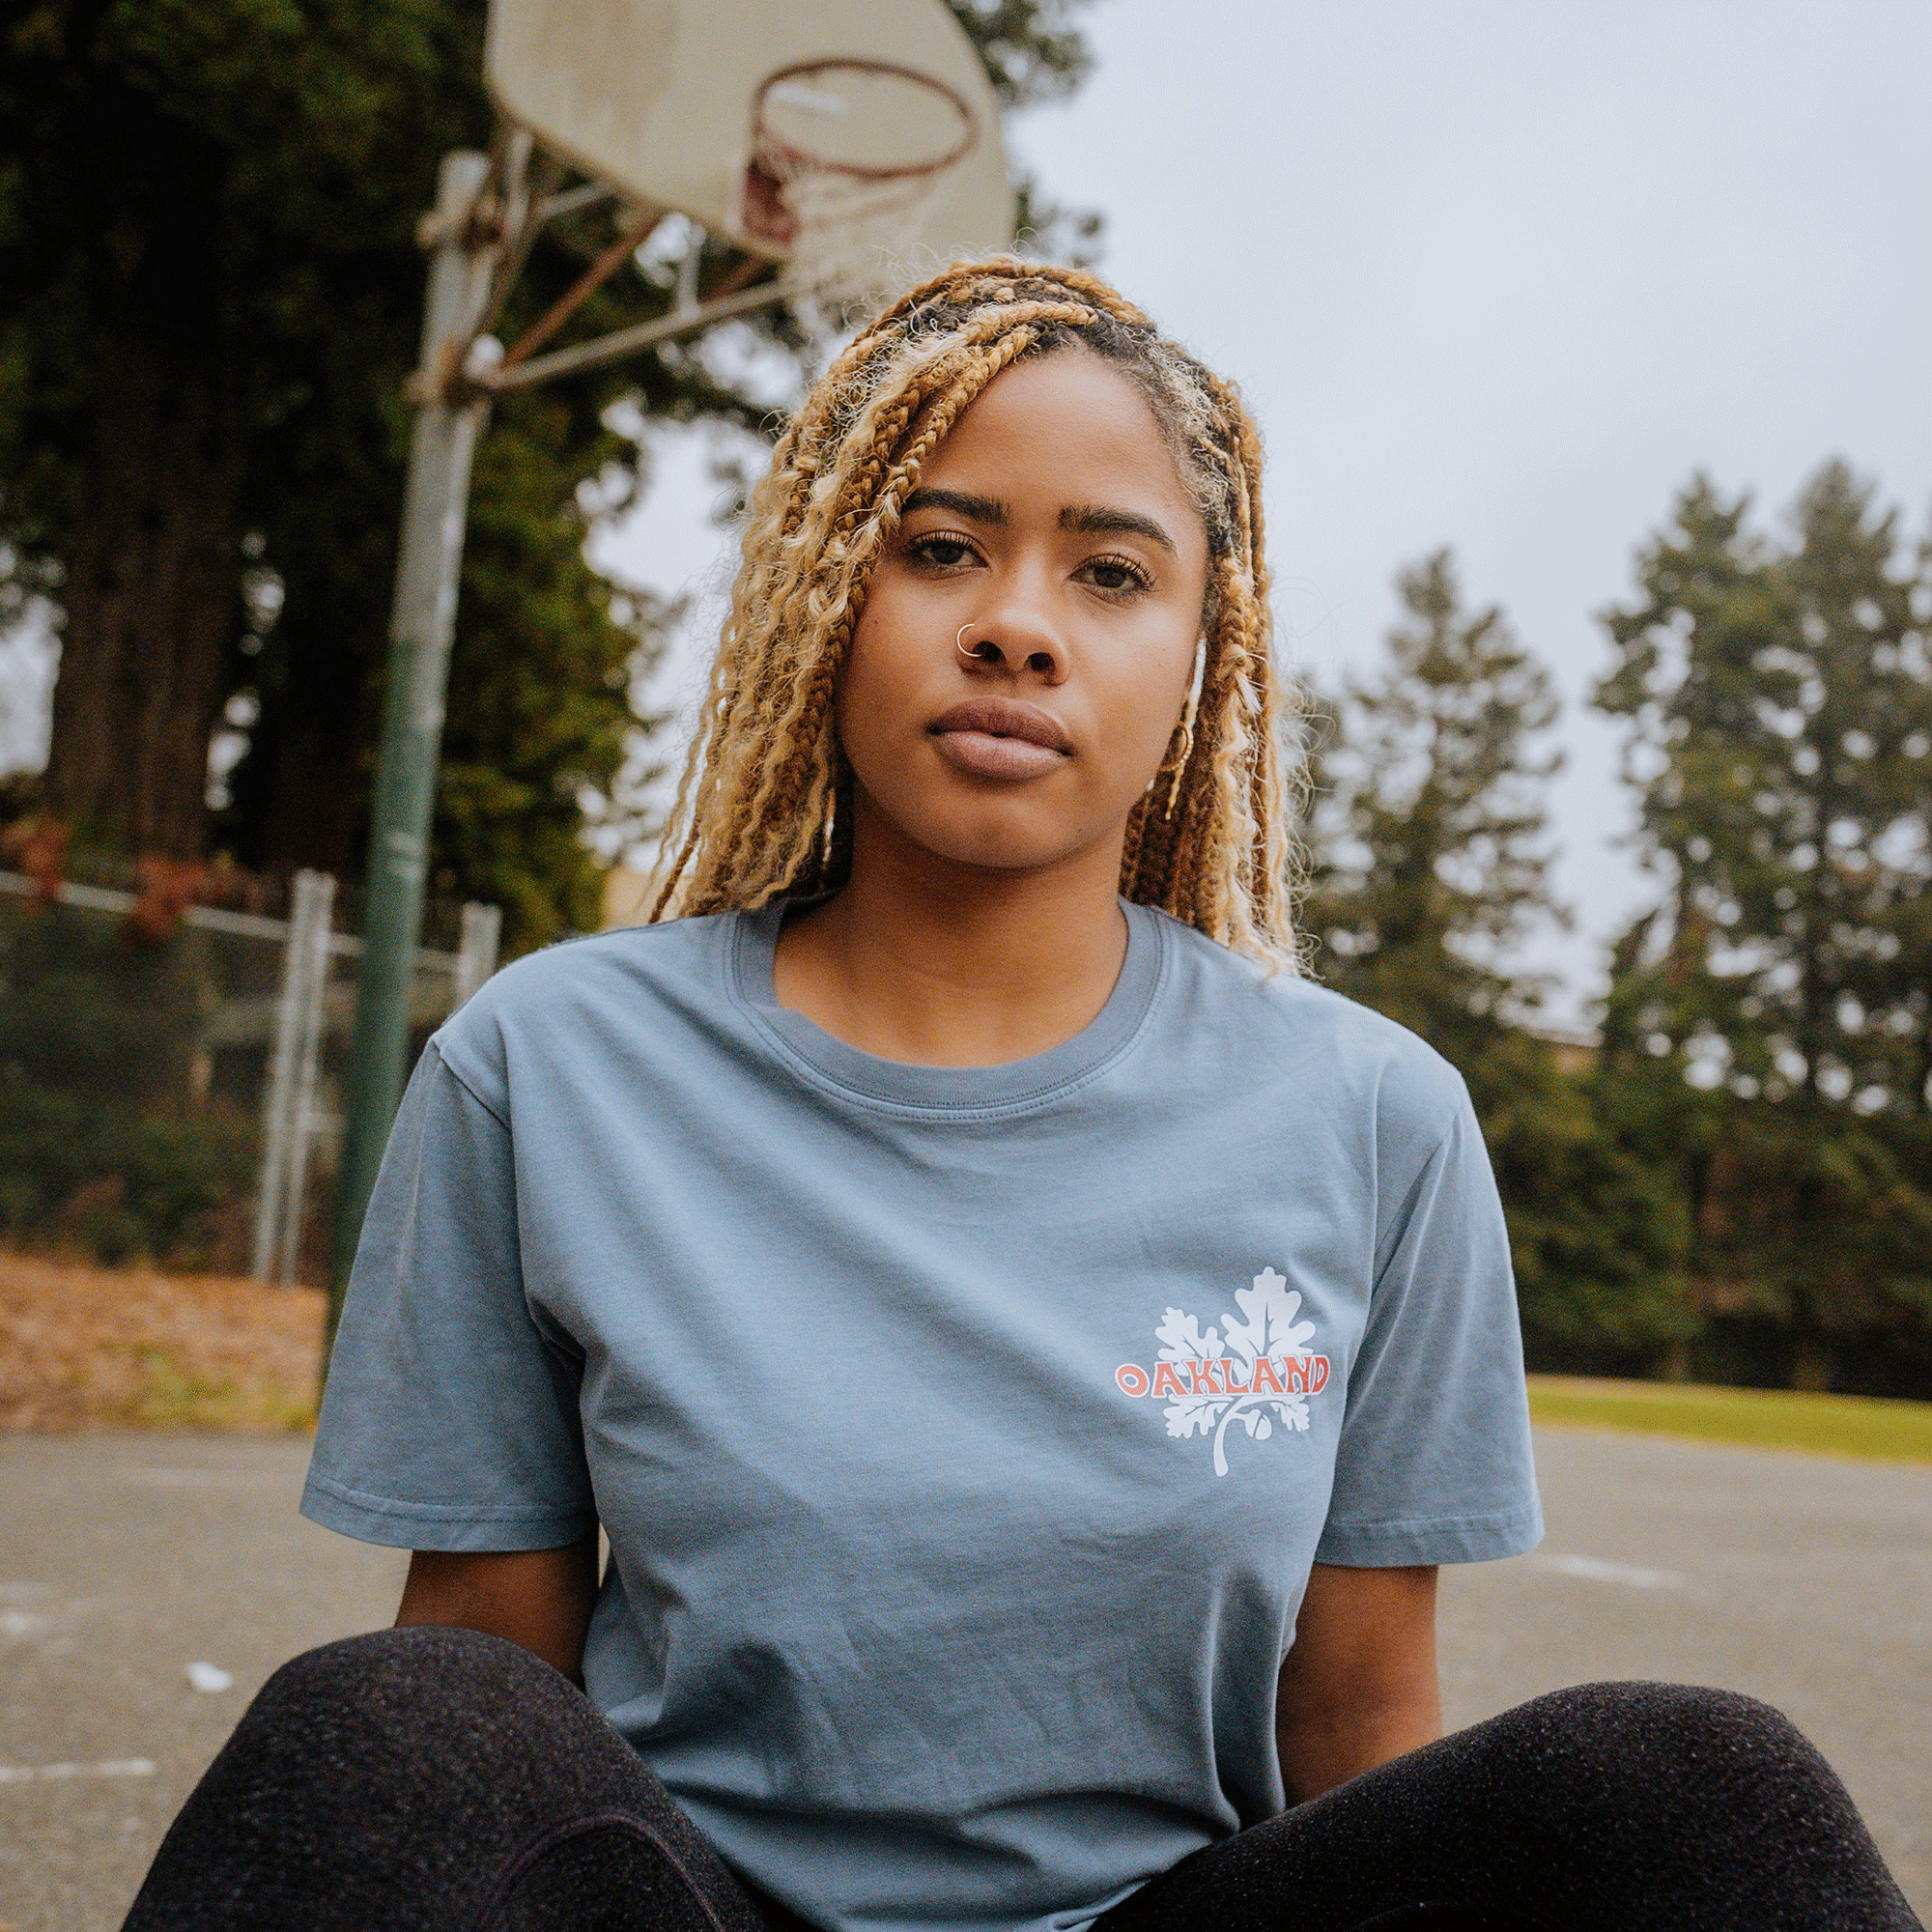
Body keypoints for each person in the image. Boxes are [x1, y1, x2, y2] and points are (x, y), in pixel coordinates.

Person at [125, 262, 1918, 1932]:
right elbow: (489, 1709)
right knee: (388, 1715)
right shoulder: (549, 1064)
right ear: (828, 596)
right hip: (695, 1908)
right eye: (940, 548)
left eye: (1110, 572)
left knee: (1697, 1783)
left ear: (1204, 656)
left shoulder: (1376, 1118)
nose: (1018, 628)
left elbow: (1366, 1739)